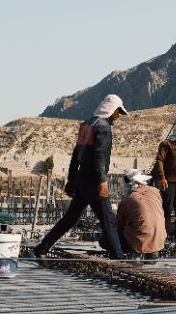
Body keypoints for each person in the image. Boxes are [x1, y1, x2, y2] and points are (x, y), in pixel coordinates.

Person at [33, 94, 127, 259]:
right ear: (113, 110)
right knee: (108, 220)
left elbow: (76, 155)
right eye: (118, 112)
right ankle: (119, 257)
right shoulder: (104, 127)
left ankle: (42, 247)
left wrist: (71, 179)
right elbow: (99, 157)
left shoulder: (87, 124)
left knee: (70, 218)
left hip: (82, 179)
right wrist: (102, 182)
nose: (118, 116)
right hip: (94, 180)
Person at [116, 168, 167, 257]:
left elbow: (118, 225)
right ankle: (152, 252)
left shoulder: (127, 200)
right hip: (160, 238)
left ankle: (133, 252)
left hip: (140, 241)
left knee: (107, 238)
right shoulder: (155, 191)